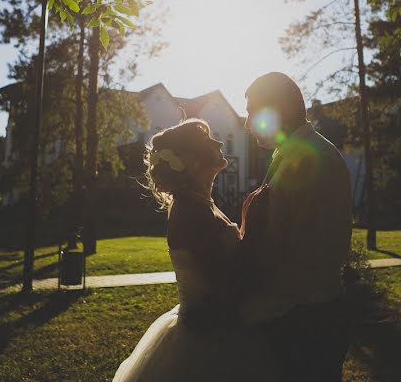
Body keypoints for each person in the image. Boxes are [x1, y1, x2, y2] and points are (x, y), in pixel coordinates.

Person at [112, 118, 279, 382]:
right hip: (207, 337)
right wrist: (256, 228)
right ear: (191, 161)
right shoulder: (191, 212)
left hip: (215, 325)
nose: (220, 142)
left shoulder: (201, 204)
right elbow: (227, 283)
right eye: (208, 141)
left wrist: (246, 217)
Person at [239, 72, 354, 382]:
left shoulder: (315, 159)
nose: (247, 123)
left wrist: (254, 306)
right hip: (296, 317)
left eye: (253, 111)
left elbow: (308, 252)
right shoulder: (290, 153)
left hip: (307, 324)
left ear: (280, 110)